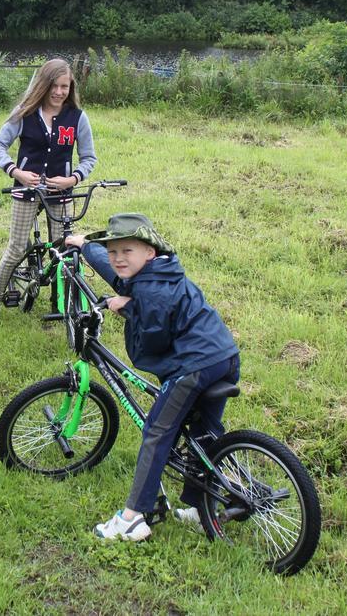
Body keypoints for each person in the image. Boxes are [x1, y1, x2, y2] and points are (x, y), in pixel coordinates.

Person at [65, 214, 240, 541]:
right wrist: (87, 246)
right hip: (222, 355)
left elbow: (155, 337)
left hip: (195, 364)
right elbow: (119, 276)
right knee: (203, 431)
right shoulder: (157, 271)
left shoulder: (151, 293)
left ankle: (133, 518)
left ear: (149, 251)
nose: (118, 258)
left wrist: (128, 308)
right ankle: (202, 503)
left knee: (157, 431)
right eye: (113, 250)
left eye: (126, 251)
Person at [0, 58, 97, 327]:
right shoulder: (25, 113)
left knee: (62, 250)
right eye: (54, 86)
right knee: (17, 246)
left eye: (65, 86)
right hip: (26, 191)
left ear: (71, 87)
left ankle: (59, 300)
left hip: (60, 193)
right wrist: (16, 172)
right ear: (43, 85)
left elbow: (89, 158)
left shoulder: (77, 117)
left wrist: (72, 179)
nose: (59, 92)